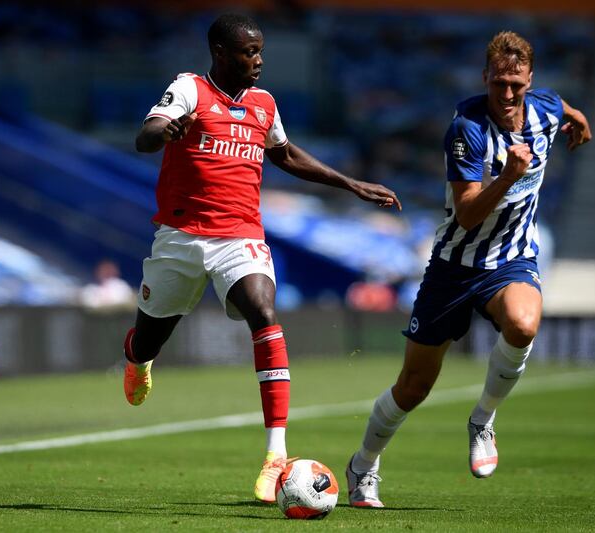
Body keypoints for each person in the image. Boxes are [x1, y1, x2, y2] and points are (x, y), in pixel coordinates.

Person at [123, 13, 401, 504]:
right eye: (249, 52)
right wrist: (166, 131)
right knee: (150, 338)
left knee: (264, 311)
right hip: (181, 236)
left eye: (260, 51)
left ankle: (276, 455)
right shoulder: (188, 89)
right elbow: (146, 135)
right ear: (219, 53)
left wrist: (351, 184)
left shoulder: (264, 103)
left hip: (240, 236)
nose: (258, 60)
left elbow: (287, 155)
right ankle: (137, 358)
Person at [344, 31, 592, 507]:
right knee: (414, 387)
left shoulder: (542, 106)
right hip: (454, 267)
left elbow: (561, 107)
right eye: (498, 83)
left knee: (523, 323)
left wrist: (579, 119)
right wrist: (510, 176)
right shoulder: (467, 128)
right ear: (485, 78)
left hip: (511, 259)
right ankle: (363, 464)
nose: (507, 94)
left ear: (530, 80)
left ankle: (483, 419)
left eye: (516, 84)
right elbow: (469, 214)